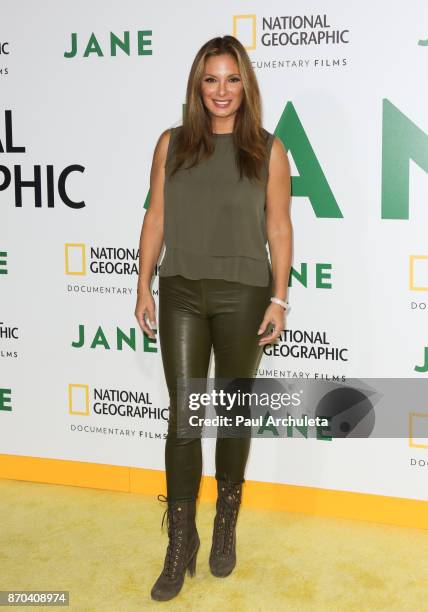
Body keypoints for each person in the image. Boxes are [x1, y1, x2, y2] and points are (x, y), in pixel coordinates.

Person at [135, 35, 292, 602]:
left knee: (229, 413)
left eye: (231, 79)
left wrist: (279, 298)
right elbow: (156, 216)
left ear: (244, 84)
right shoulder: (171, 144)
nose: (221, 91)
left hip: (245, 295)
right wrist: (142, 284)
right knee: (183, 414)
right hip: (178, 290)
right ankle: (181, 542)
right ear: (196, 87)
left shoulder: (268, 151)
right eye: (210, 79)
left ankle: (225, 519)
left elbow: (278, 228)